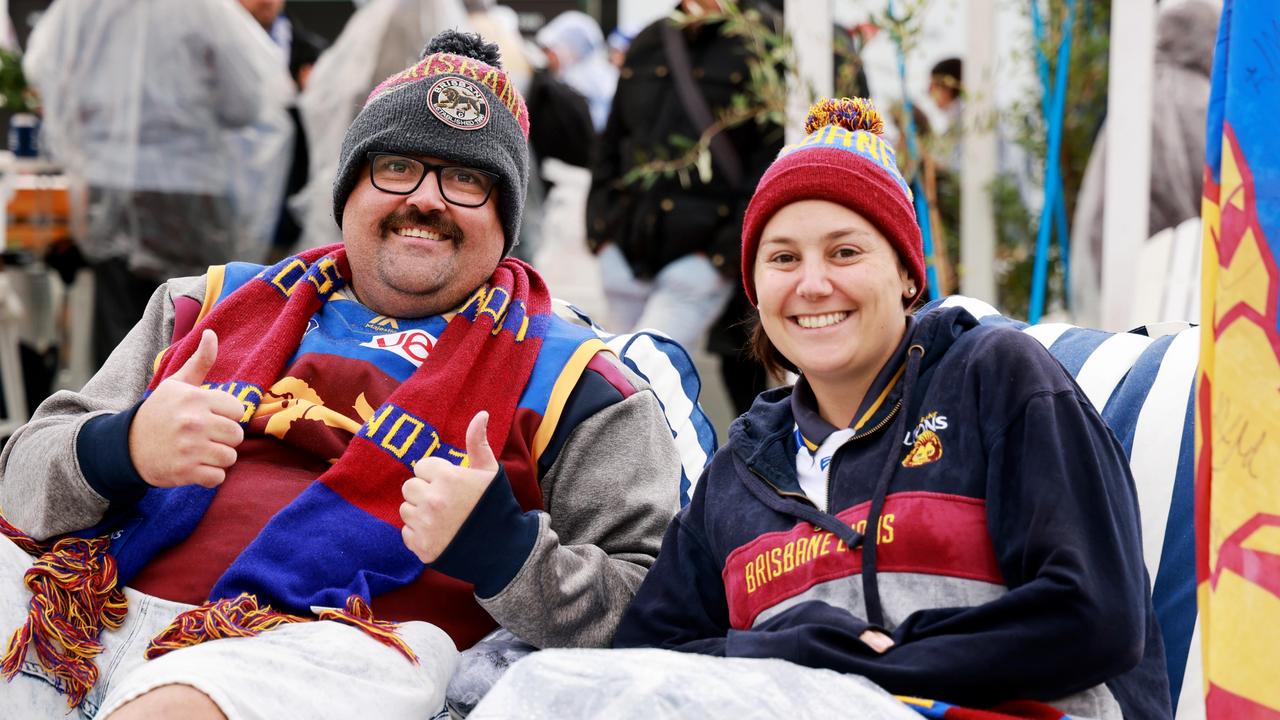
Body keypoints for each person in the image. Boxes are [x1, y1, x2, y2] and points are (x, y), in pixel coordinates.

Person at [0, 30, 681, 719]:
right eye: (396, 167)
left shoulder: (577, 381)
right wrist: (124, 447)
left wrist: (503, 549)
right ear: (350, 187)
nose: (428, 199)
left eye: (467, 179)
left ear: (505, 217)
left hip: (327, 649)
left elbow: (655, 612)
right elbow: (19, 482)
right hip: (91, 603)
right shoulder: (204, 305)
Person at [613, 98, 1173, 718]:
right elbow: (647, 660)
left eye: (845, 252)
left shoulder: (995, 377)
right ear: (756, 287)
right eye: (783, 258)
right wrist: (778, 650)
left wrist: (856, 668)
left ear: (908, 273)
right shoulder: (741, 470)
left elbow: (1095, 615)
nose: (813, 284)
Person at [22, 0, 290, 370]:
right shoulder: (207, 11)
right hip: (190, 189)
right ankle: (185, 415)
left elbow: (42, 68)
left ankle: (117, 419)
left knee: (121, 326)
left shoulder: (86, 7)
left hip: (109, 183)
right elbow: (246, 103)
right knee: (194, 315)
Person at [587, 0, 784, 416]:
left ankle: (661, 477)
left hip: (700, 258)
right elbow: (613, 142)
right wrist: (600, 233)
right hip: (626, 250)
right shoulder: (652, 38)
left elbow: (768, 161)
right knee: (608, 378)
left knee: (640, 384)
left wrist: (723, 257)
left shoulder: (761, 39)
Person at [1069, 0, 1218, 327]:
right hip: (1178, 270)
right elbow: (1218, 188)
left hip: (1112, 258)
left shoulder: (1134, 92)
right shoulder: (1203, 100)